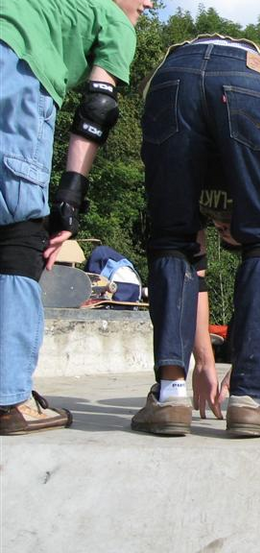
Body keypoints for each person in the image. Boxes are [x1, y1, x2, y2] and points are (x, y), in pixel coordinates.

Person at [130, 35, 260, 437]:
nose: (222, 231)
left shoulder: (206, 218)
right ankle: (254, 397)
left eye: (223, 232)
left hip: (171, 77)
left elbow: (193, 265)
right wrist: (208, 361)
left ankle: (171, 393)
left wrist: (207, 362)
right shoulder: (234, 213)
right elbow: (202, 274)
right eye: (225, 232)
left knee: (172, 239)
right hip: (252, 79)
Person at [0, 0, 153, 435]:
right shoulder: (110, 17)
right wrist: (70, 197)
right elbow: (97, 110)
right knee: (18, 235)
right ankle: (9, 398)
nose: (148, 2)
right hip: (17, 71)